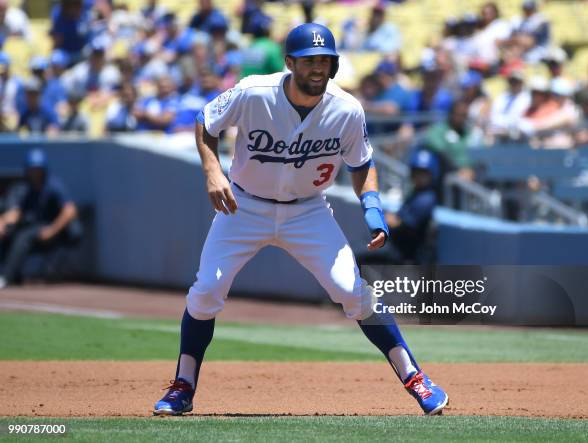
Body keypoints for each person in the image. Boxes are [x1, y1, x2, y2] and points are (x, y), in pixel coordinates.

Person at [153, 23, 448, 417]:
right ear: (290, 62)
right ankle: (182, 387)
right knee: (206, 292)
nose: (318, 68)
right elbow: (207, 122)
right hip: (244, 206)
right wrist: (212, 171)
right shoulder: (254, 91)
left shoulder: (346, 108)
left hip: (308, 210)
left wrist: (372, 208)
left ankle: (416, 379)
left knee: (353, 292)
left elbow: (362, 163)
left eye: (325, 60)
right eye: (309, 60)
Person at [0, 149, 80, 288]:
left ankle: (5, 277)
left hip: (52, 228)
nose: (35, 173)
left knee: (23, 237)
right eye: (32, 169)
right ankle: (14, 275)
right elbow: (16, 212)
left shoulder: (53, 185)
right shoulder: (26, 188)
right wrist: (2, 221)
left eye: (38, 169)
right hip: (34, 228)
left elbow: (70, 210)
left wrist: (52, 230)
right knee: (11, 234)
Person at [358, 149, 438, 265]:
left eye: (424, 174)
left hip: (409, 259)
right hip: (398, 252)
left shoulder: (427, 198)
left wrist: (391, 221)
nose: (419, 177)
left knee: (362, 263)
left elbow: (406, 225)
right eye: (417, 172)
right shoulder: (416, 194)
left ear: (431, 175)